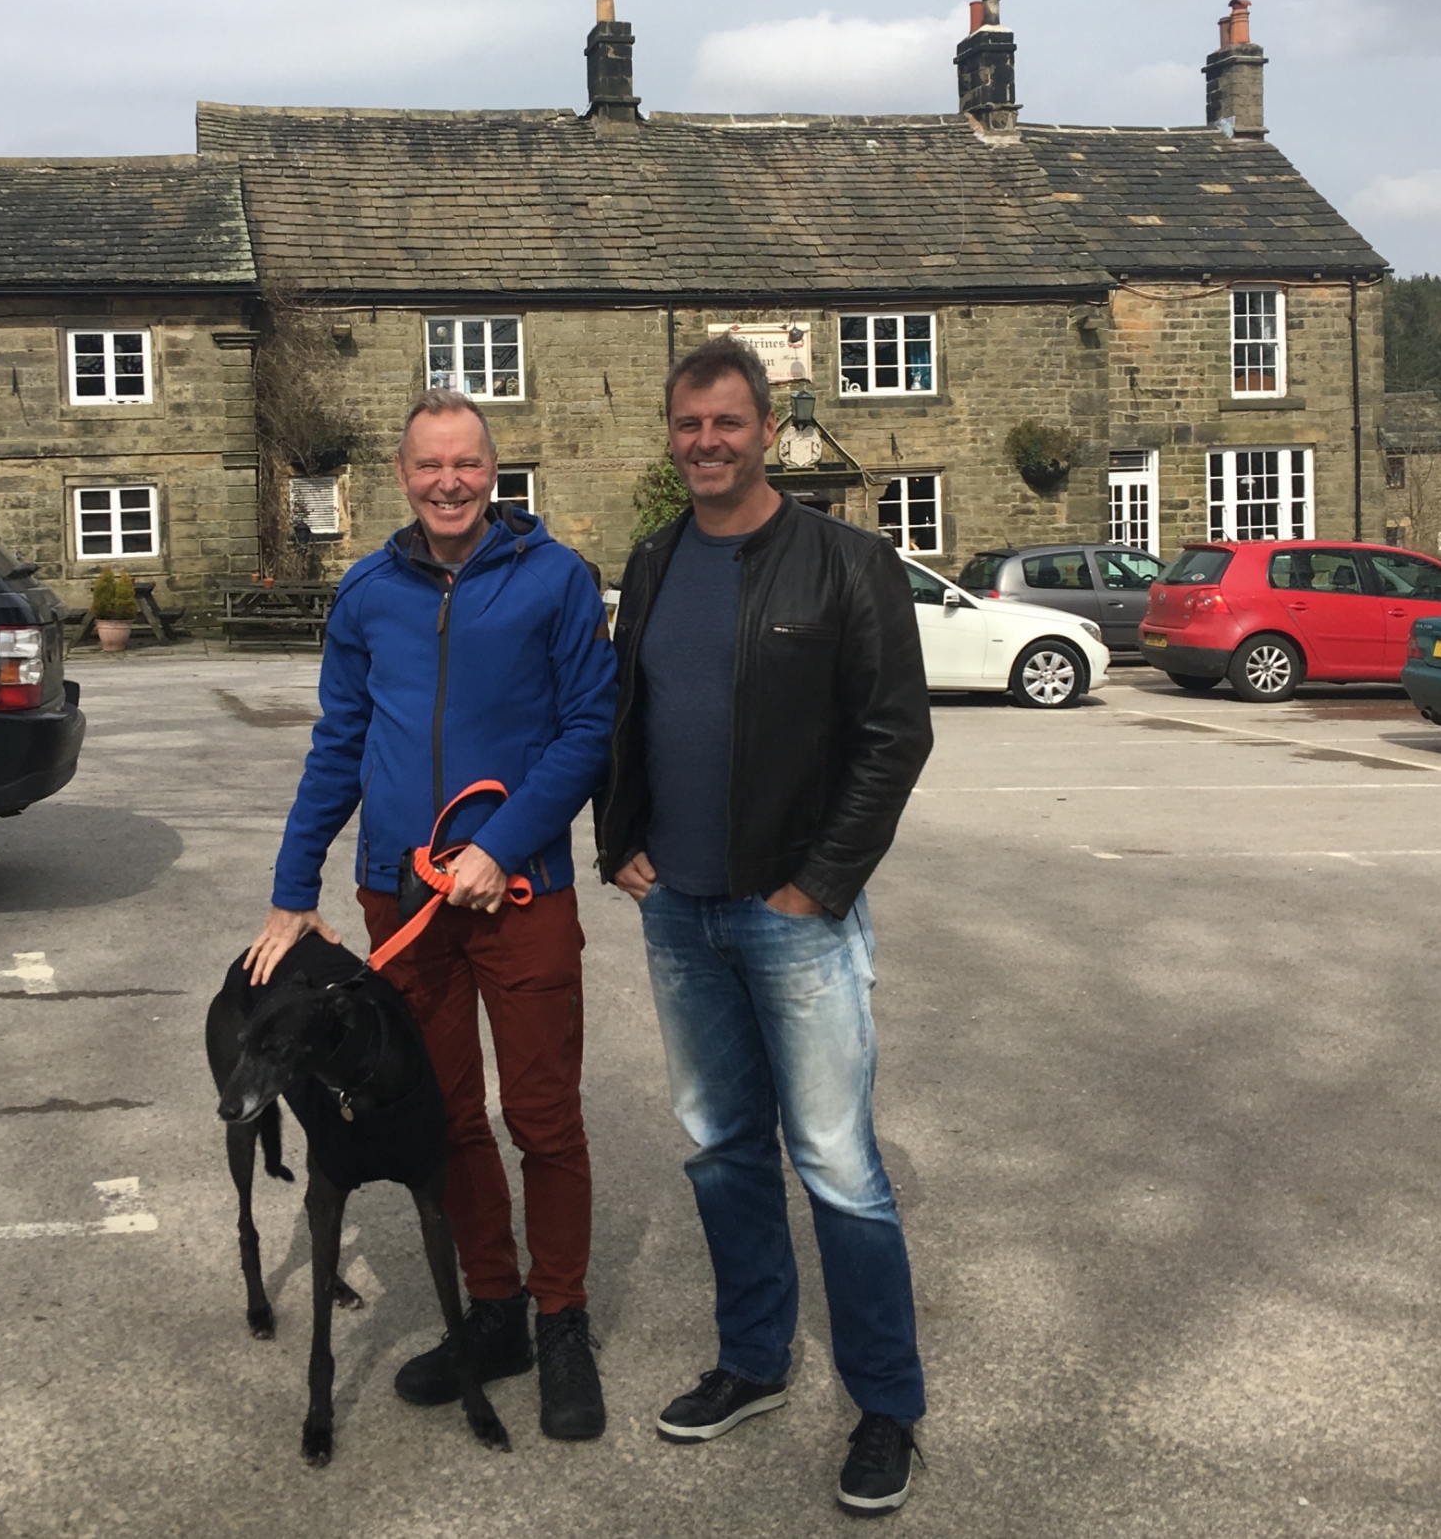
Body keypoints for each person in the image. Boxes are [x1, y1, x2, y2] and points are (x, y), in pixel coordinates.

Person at [595, 336, 934, 1513]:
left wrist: (818, 885)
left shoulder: (845, 563)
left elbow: (895, 738)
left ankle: (884, 1406)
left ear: (764, 428)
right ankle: (752, 1362)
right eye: (686, 425)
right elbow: (624, 715)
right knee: (719, 1148)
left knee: (838, 1166)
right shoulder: (649, 562)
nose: (704, 443)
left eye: (725, 423)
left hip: (794, 918)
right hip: (677, 914)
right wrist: (617, 840)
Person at [246, 388, 617, 1441]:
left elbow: (588, 726)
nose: (447, 481)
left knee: (541, 1117)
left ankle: (560, 1319)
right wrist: (291, 889)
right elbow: (338, 745)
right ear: (401, 476)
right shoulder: (365, 593)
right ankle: (491, 1311)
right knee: (445, 1115)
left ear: (492, 471)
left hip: (519, 890)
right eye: (427, 466)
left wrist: (503, 847)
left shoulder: (554, 580)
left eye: (465, 463)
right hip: (400, 898)